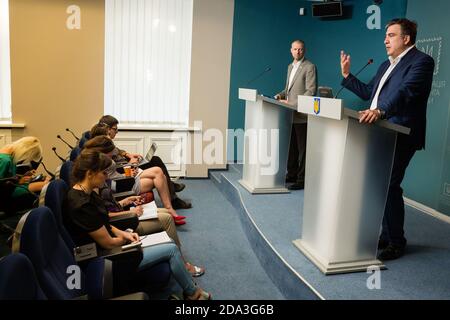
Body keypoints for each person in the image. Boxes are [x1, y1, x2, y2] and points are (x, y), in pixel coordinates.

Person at [340, 18, 434, 260]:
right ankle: (386, 233)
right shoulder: (385, 65)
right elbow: (369, 94)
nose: (385, 39)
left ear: (406, 38)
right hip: (379, 132)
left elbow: (406, 92)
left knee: (389, 183)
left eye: (391, 35)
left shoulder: (422, 62)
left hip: (401, 133)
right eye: (386, 35)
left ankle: (396, 241)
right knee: (379, 184)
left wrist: (380, 111)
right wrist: (348, 75)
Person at [63, 149, 210, 299]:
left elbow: (104, 223)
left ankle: (191, 291)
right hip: (109, 260)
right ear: (90, 173)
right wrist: (129, 240)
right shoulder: (82, 204)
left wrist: (125, 233)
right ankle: (193, 294)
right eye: (104, 173)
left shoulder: (86, 191)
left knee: (169, 242)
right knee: (172, 249)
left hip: (113, 248)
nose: (106, 177)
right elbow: (108, 243)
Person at [83, 135, 186, 224]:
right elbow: (109, 182)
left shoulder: (99, 157)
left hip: (122, 179)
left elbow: (111, 175)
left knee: (159, 174)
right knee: (158, 173)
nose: (113, 154)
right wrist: (127, 174)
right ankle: (170, 209)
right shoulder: (97, 164)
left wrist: (129, 169)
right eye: (111, 153)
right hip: (121, 184)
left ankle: (169, 209)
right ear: (103, 151)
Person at [97, 116, 191, 209]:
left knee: (155, 160)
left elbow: (117, 150)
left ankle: (171, 187)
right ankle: (172, 194)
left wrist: (128, 155)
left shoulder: (105, 140)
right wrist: (129, 164)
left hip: (126, 165)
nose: (117, 132)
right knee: (156, 161)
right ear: (108, 129)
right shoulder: (103, 144)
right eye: (115, 129)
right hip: (124, 170)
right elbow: (112, 166)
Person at [275, 40, 317, 190]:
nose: (298, 52)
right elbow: (287, 90)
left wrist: (293, 104)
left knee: (302, 149)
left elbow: (311, 91)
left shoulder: (310, 67)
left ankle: (301, 179)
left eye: (300, 49)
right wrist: (280, 96)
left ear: (304, 50)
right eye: (295, 49)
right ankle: (291, 174)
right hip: (289, 114)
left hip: (302, 115)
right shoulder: (289, 67)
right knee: (291, 148)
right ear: (291, 50)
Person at [0, 137, 51, 213]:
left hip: (7, 192)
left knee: (42, 186)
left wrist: (20, 179)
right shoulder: (5, 160)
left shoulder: (9, 157)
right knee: (41, 188)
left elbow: (6, 179)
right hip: (4, 198)